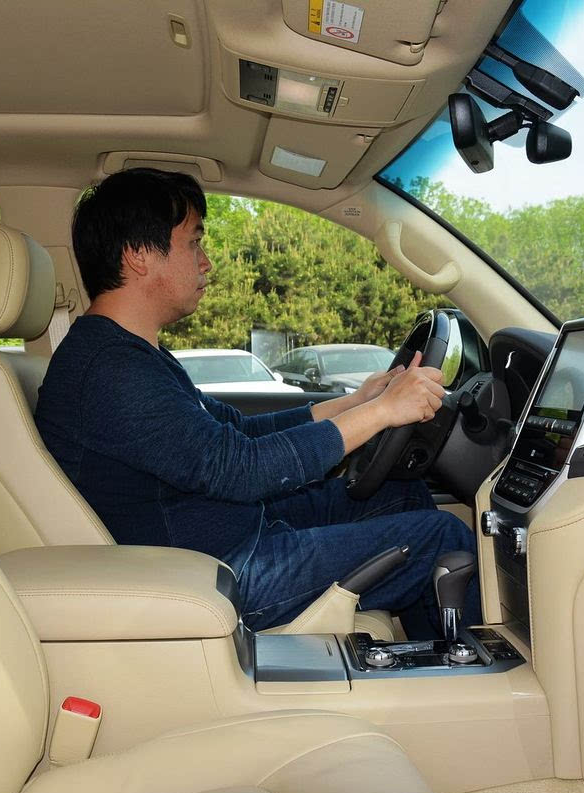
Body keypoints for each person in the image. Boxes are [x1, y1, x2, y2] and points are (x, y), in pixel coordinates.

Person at [35, 168, 479, 638]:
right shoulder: (110, 369)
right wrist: (382, 413)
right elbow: (242, 468)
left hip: (231, 533)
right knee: (443, 539)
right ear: (139, 255)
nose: (206, 262)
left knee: (399, 494)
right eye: (193, 243)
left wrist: (356, 402)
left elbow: (236, 432)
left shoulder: (129, 353)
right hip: (220, 570)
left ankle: (430, 658)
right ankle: (467, 666)